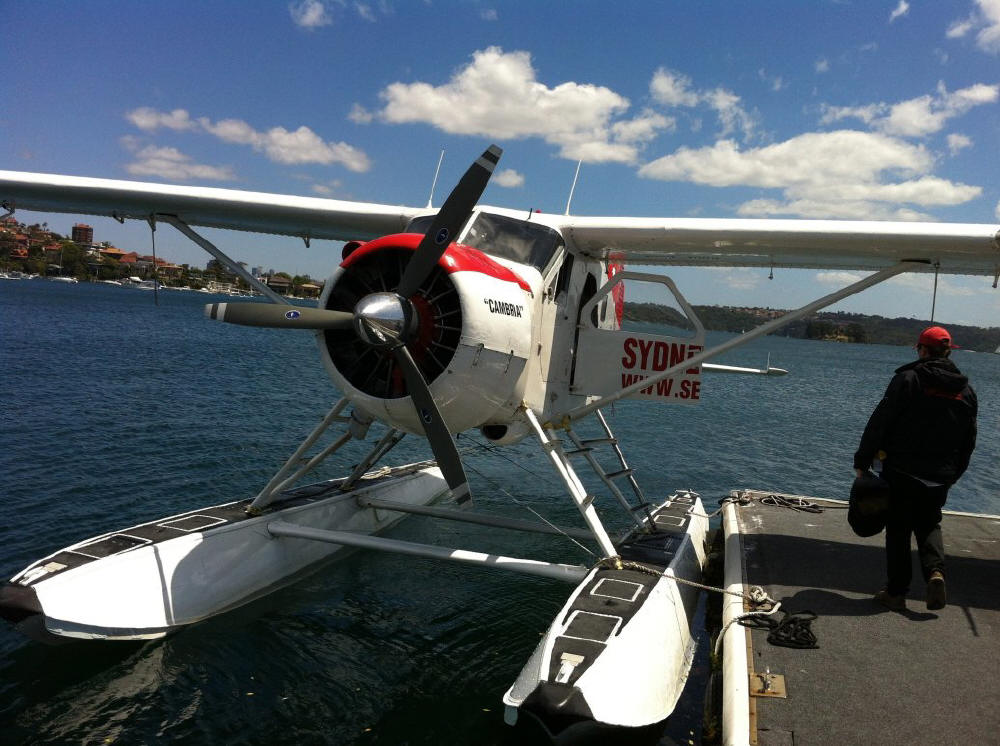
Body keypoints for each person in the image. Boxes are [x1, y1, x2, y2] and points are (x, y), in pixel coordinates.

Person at [853, 325, 977, 612]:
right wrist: (954, 474)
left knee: (899, 529)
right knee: (929, 523)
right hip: (940, 475)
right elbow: (969, 439)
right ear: (948, 352)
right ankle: (935, 572)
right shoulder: (966, 391)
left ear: (922, 350)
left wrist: (862, 461)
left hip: (902, 471)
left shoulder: (908, 379)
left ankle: (896, 592)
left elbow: (880, 421)